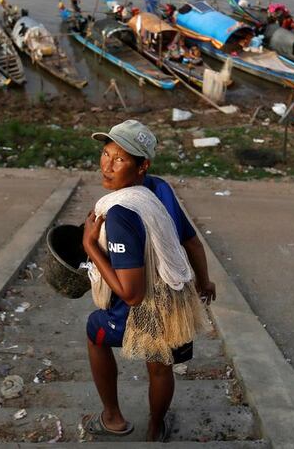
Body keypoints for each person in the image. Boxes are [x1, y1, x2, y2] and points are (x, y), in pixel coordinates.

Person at [82, 120, 216, 442]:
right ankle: (155, 428)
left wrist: (89, 245)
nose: (107, 165)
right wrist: (204, 282)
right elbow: (192, 242)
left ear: (142, 166)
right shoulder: (160, 190)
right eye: (105, 154)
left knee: (93, 331)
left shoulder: (121, 213)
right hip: (173, 296)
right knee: (161, 364)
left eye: (120, 159)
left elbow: (131, 294)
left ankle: (112, 417)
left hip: (140, 304)